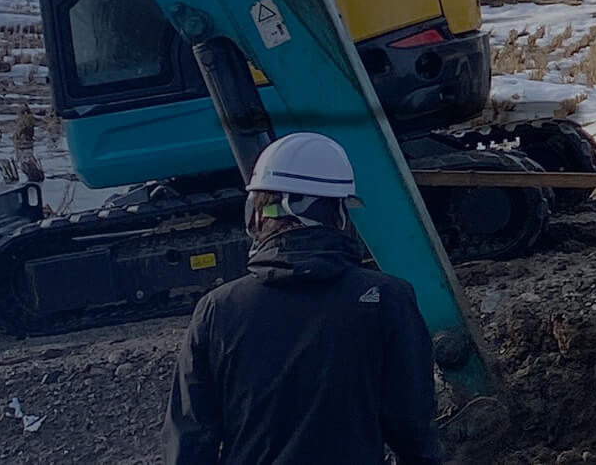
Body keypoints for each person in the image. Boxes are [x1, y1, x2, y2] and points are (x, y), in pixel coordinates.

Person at [164, 132, 443, 465]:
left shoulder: (217, 310)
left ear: (256, 215)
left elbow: (191, 441)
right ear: (339, 215)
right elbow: (413, 428)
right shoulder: (387, 300)